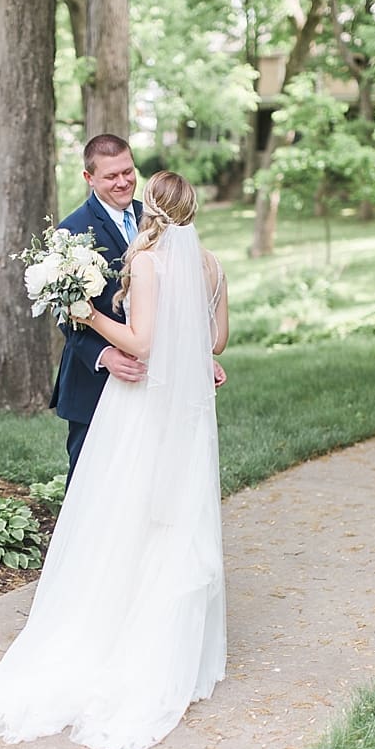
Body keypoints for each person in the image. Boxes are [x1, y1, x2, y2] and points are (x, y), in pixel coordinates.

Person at [0, 171, 230, 749]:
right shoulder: (212, 266)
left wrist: (86, 314)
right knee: (174, 515)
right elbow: (216, 341)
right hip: (186, 412)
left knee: (122, 513)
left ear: (153, 207)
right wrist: (194, 358)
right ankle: (172, 642)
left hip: (139, 408)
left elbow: (141, 342)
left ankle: (114, 632)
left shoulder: (152, 263)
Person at [50, 134, 224, 487]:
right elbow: (66, 312)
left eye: (128, 171)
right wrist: (103, 356)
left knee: (146, 482)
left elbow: (178, 298)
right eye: (111, 176)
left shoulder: (161, 218)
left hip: (158, 382)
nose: (123, 181)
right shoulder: (71, 231)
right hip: (96, 379)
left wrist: (192, 354)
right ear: (89, 178)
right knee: (90, 479)